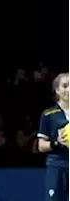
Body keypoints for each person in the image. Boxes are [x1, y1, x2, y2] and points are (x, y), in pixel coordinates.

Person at [37, 73, 70, 201]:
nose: (68, 90)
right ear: (57, 90)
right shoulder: (48, 114)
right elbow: (41, 146)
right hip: (57, 165)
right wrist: (56, 143)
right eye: (65, 86)